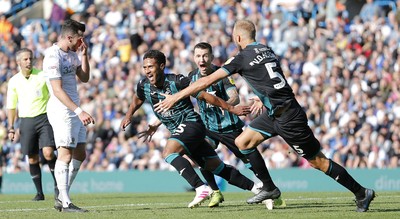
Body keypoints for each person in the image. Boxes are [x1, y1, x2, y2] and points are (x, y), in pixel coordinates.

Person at [155, 19, 375, 212]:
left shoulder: (241, 57)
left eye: (234, 36)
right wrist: (262, 97)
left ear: (238, 36)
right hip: (275, 112)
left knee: (318, 162)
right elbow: (270, 78)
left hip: (289, 117)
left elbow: (206, 82)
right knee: (244, 141)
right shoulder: (267, 50)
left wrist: (176, 97)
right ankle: (269, 188)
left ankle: (361, 192)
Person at [120, 49, 262, 208]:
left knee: (169, 152)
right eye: (145, 67)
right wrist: (129, 115)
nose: (147, 71)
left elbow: (206, 96)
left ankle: (201, 188)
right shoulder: (143, 85)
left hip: (192, 123)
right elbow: (137, 100)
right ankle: (259, 189)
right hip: (180, 130)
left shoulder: (178, 81)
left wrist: (231, 108)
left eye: (151, 67)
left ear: (161, 66)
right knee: (215, 167)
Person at [188, 42, 284, 208]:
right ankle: (215, 191)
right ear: (194, 58)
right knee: (201, 154)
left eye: (205, 56)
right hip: (208, 128)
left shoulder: (222, 74)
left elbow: (235, 98)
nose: (201, 59)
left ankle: (270, 191)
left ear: (211, 57)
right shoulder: (191, 77)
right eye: (198, 56)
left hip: (229, 127)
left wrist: (219, 103)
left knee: (249, 162)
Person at [43, 19, 95, 213]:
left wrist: (85, 55)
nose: (82, 41)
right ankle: (65, 202)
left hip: (74, 109)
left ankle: (61, 191)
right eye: (80, 38)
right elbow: (57, 90)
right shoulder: (52, 55)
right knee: (65, 154)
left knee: (80, 153)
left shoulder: (73, 54)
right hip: (62, 110)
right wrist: (79, 111)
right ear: (69, 37)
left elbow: (85, 78)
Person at [6, 48, 58, 201]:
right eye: (25, 59)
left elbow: (54, 94)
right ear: (18, 62)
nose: (29, 61)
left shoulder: (42, 76)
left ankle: (58, 186)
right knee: (33, 158)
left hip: (43, 118)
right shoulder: (14, 81)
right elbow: (11, 106)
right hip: (26, 121)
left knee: (48, 153)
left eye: (30, 58)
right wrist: (11, 127)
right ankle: (39, 193)